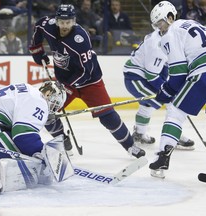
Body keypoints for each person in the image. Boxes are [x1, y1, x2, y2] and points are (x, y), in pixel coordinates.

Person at [29, 4, 145, 158]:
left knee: (108, 116)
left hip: (90, 82)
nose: (65, 26)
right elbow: (38, 27)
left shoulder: (80, 39)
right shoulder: (48, 25)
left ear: (74, 21)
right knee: (46, 112)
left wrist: (66, 87)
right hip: (64, 82)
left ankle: (130, 146)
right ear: (56, 21)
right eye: (62, 22)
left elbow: (86, 71)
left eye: (68, 22)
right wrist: (38, 52)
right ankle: (63, 141)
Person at [148, 1, 206, 178]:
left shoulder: (170, 34)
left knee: (175, 110)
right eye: (156, 26)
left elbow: (178, 74)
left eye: (161, 23)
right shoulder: (193, 23)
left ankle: (162, 157)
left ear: (170, 17)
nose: (160, 29)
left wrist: (164, 93)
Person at [0, 81, 73, 193]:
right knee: (28, 162)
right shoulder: (39, 101)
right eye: (55, 103)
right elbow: (23, 137)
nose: (53, 107)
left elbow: (21, 134)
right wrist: (43, 154)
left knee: (24, 154)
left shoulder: (29, 91)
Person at [123, 29, 195, 150]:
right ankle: (173, 137)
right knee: (172, 104)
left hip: (142, 77)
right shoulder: (157, 45)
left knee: (149, 104)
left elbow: (163, 70)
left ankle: (139, 134)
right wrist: (168, 91)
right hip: (136, 79)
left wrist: (169, 87)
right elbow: (152, 75)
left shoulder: (168, 40)